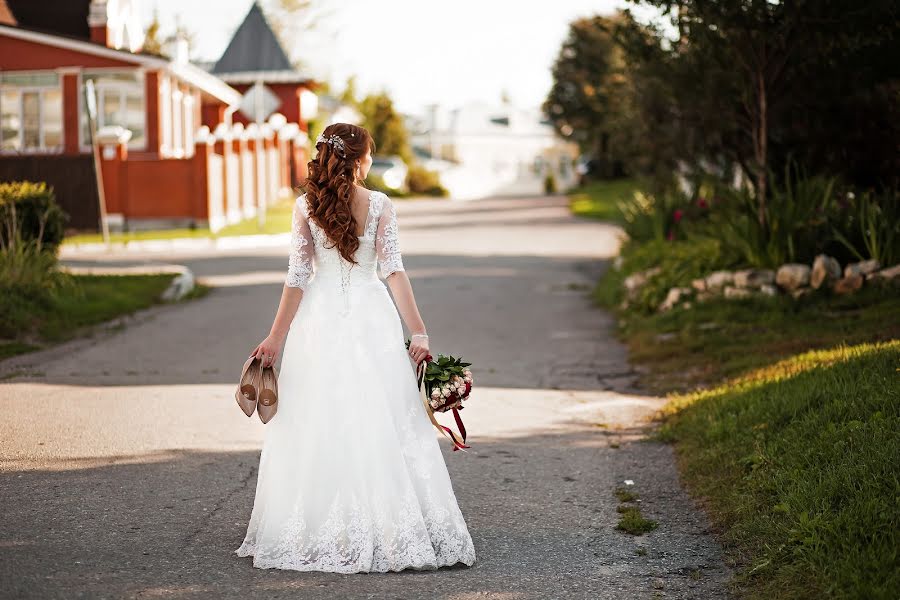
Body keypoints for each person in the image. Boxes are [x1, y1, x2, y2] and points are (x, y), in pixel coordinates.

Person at [234, 122, 476, 573]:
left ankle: (315, 526)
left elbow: (298, 278)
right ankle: (389, 526)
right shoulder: (380, 205)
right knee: (379, 418)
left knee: (319, 421)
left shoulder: (307, 206)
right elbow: (393, 271)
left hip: (317, 325)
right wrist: (418, 331)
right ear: (361, 160)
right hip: (372, 319)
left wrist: (275, 338)